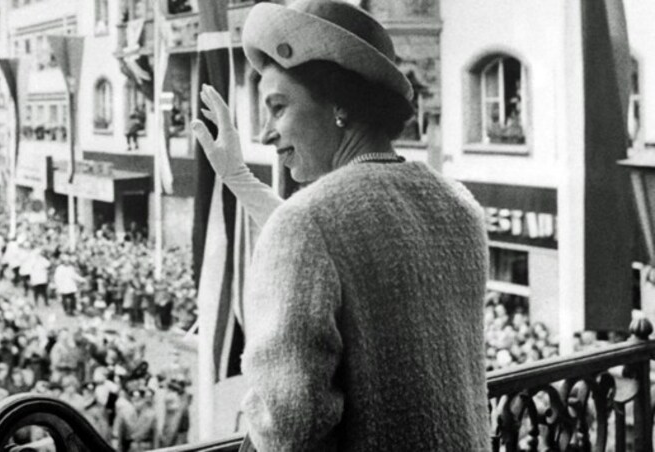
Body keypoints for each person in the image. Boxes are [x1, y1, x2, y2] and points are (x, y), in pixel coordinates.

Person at [191, 1, 490, 450]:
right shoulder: (458, 204)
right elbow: (350, 251)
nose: (266, 132)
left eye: (278, 108)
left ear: (338, 105)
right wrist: (239, 178)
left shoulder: (310, 223)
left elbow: (288, 423)